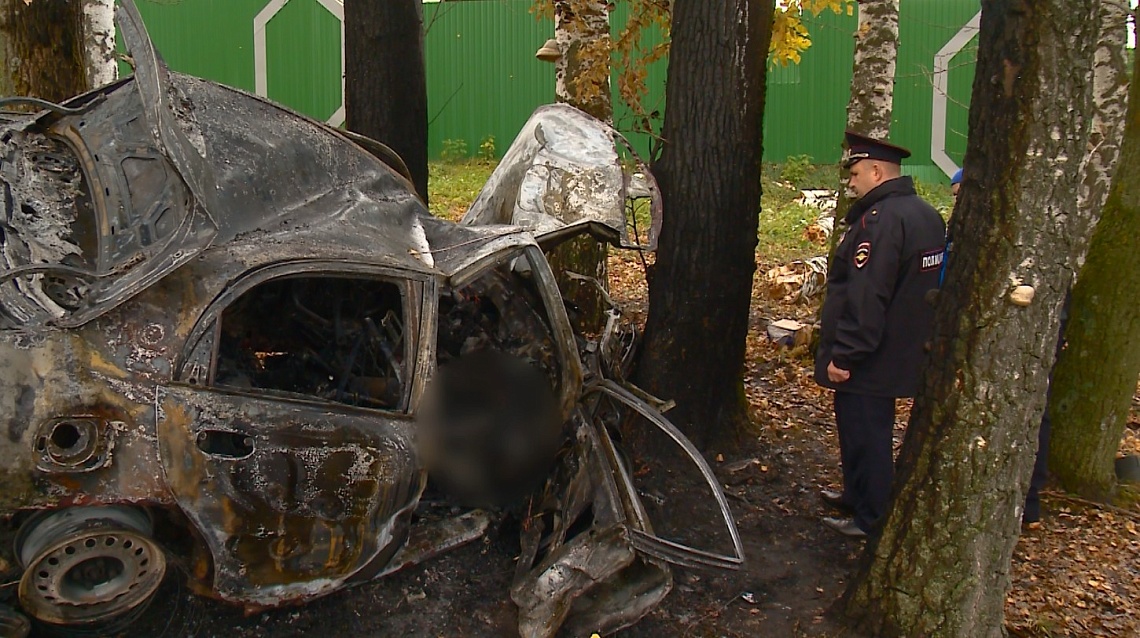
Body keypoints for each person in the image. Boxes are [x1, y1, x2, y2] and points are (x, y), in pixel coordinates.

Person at [814, 131, 947, 538]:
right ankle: (857, 496)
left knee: (866, 435)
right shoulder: (926, 214)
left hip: (872, 356)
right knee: (862, 431)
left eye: (855, 173)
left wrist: (846, 355)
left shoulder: (881, 222)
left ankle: (870, 518)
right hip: (902, 348)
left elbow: (867, 295)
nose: (851, 183)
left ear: (876, 171)